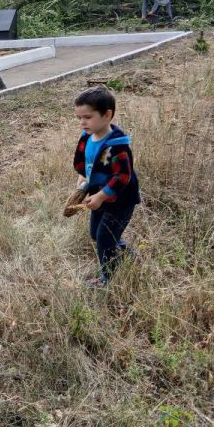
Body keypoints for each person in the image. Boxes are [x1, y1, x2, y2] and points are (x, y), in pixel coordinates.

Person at [73, 86, 141, 287]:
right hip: (99, 195)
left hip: (120, 199)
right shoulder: (87, 137)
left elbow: (122, 176)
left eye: (87, 117)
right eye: (79, 118)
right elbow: (85, 162)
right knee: (96, 233)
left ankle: (108, 277)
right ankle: (126, 252)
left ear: (107, 114)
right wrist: (82, 178)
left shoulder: (117, 146)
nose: (82, 123)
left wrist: (102, 195)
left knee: (104, 238)